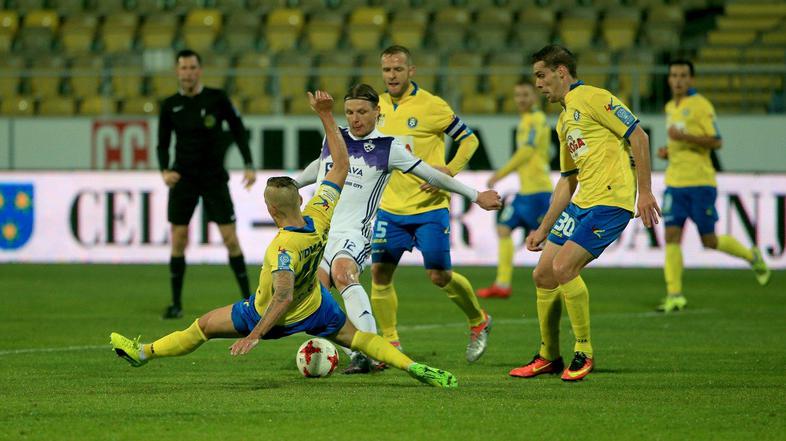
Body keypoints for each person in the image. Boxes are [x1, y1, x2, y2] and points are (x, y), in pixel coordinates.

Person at [111, 91, 458, 389]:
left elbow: (282, 297)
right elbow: (340, 164)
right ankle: (413, 367)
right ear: (299, 200)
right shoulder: (321, 214)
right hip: (316, 307)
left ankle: (144, 353)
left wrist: (254, 334)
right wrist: (326, 116)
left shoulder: (281, 248)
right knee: (363, 340)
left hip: (267, 315)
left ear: (270, 210)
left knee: (201, 327)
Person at [295, 84, 502, 374]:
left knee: (343, 273)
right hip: (323, 232)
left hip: (356, 232)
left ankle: (367, 352)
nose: (356, 118)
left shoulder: (387, 147)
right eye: (350, 112)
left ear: (377, 112)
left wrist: (475, 195)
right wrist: (294, 183)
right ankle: (358, 348)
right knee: (314, 292)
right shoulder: (335, 136)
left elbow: (430, 174)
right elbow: (320, 166)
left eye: (363, 112)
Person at [508, 45, 661, 381]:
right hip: (582, 204)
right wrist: (543, 228)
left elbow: (639, 135)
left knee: (563, 267)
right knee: (543, 275)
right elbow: (567, 181)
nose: (537, 84)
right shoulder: (564, 121)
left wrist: (645, 191)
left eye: (541, 75)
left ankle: (584, 351)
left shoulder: (594, 97)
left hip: (611, 202)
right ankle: (548, 356)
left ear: (561, 71)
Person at [369, 45, 493, 363]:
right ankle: (390, 344)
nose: (392, 75)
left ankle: (478, 320)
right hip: (389, 208)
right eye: (387, 70)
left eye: (398, 69)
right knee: (380, 273)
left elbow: (470, 139)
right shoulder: (375, 106)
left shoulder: (432, 106)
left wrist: (449, 169)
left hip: (429, 205)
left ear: (412, 71)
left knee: (438, 276)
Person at [656, 60, 771, 313]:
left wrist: (684, 138)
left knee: (709, 240)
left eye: (683, 76)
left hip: (700, 183)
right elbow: (679, 143)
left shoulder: (701, 106)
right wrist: (669, 151)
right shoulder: (669, 107)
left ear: (691, 80)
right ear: (669, 79)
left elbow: (716, 141)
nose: (678, 80)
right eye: (674, 75)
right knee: (671, 236)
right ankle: (674, 294)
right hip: (675, 182)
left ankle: (752, 256)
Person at [157, 49, 257, 319]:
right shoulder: (169, 105)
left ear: (199, 71)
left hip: (214, 178)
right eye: (183, 68)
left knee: (230, 239)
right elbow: (162, 142)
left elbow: (238, 129)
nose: (188, 73)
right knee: (178, 239)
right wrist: (164, 170)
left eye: (192, 68)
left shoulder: (217, 98)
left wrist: (248, 163)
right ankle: (176, 303)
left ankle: (249, 301)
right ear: (177, 72)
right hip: (183, 178)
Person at [477, 78, 553, 299]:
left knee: (548, 242)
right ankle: (502, 284)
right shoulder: (525, 120)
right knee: (503, 228)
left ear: (535, 96)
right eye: (517, 95)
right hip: (525, 193)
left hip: (539, 192)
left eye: (525, 95)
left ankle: (561, 280)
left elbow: (527, 152)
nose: (521, 99)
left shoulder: (536, 119)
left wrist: (499, 174)